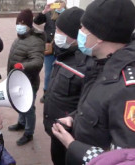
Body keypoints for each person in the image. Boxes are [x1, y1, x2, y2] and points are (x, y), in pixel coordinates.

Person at [51, 0, 135, 164]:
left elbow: (123, 158)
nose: (79, 32)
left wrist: (72, 145)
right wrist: (75, 119)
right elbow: (101, 107)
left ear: (100, 36)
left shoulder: (128, 89)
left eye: (83, 28)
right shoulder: (101, 63)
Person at [42, 7, 91, 165]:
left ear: (75, 35)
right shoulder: (63, 53)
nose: (56, 34)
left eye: (60, 30)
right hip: (56, 131)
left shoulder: (86, 65)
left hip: (72, 135)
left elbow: (90, 105)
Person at [7, 9, 45, 146]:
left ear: (29, 25)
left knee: (28, 107)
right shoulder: (20, 38)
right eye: (18, 22)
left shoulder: (35, 41)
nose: (20, 25)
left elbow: (38, 61)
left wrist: (22, 66)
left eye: (23, 23)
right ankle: (21, 123)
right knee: (20, 104)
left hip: (28, 81)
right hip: (18, 80)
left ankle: (29, 133)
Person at [34, 0, 66, 103]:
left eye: (61, 2)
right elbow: (36, 21)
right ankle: (46, 93)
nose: (59, 4)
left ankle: (59, 94)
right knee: (48, 72)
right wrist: (44, 11)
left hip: (64, 48)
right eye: (57, 2)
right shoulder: (49, 13)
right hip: (50, 48)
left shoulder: (69, 13)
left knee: (62, 72)